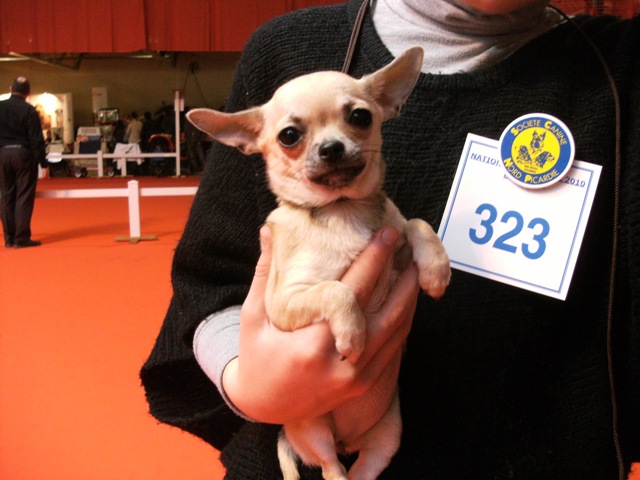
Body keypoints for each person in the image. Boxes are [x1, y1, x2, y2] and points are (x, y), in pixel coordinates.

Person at [140, 1, 640, 478]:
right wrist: (246, 380)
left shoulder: (620, 69)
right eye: (292, 136)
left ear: (389, 100)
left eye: (357, 117)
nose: (331, 143)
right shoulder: (285, 49)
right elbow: (209, 283)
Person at [0, 76, 47, 248]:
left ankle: (9, 238)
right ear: (28, 93)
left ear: (10, 89)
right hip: (23, 155)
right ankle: (21, 238)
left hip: (2, 154)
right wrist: (43, 163)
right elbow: (36, 140)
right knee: (24, 196)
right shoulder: (29, 111)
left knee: (6, 195)